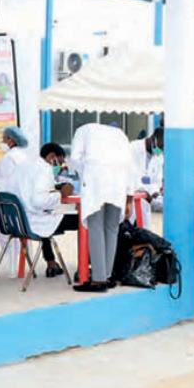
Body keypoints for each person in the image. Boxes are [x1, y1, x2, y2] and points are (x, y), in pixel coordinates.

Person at [68, 123, 134, 292]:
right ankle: (106, 276)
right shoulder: (120, 134)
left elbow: (75, 158)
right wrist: (129, 197)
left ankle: (98, 280)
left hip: (96, 181)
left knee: (95, 227)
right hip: (118, 183)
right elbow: (130, 166)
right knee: (111, 229)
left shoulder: (82, 130)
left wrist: (86, 173)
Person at [16, 143, 78, 278]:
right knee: (84, 220)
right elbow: (39, 201)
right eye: (59, 162)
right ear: (52, 157)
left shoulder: (27, 166)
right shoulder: (44, 169)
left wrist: (55, 190)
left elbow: (34, 192)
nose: (59, 167)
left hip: (19, 222)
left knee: (47, 216)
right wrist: (61, 194)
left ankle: (51, 263)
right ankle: (86, 267)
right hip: (34, 220)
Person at [129, 128, 163, 228]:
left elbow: (157, 180)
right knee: (125, 234)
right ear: (153, 138)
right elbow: (131, 177)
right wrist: (146, 191)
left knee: (143, 236)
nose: (160, 150)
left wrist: (154, 192)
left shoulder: (158, 156)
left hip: (145, 203)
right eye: (160, 146)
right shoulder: (132, 148)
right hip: (130, 199)